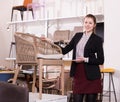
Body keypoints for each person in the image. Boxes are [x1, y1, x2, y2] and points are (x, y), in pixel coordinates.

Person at [41, 14, 104, 102]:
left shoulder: (97, 39)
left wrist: (85, 59)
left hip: (92, 75)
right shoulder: (77, 36)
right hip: (78, 72)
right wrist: (50, 41)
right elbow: (64, 50)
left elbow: (101, 60)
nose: (87, 25)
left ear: (94, 25)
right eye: (86, 22)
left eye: (90, 23)